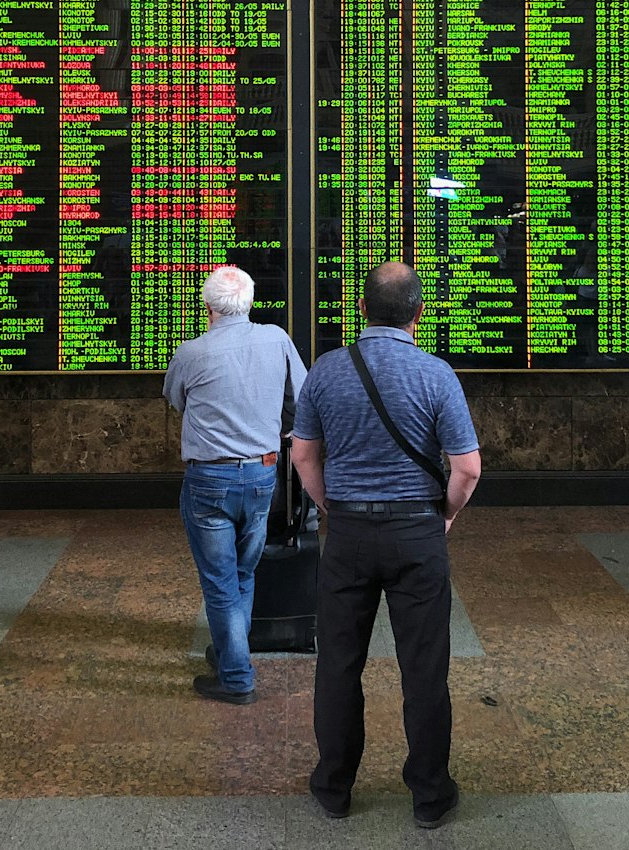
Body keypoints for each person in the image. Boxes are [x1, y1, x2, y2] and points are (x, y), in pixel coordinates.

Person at [291, 261, 481, 828]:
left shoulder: (325, 372)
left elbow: (303, 456)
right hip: (416, 534)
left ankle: (334, 787)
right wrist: (442, 516)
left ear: (362, 311)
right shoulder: (436, 374)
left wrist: (331, 507)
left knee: (339, 664)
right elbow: (467, 468)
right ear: (418, 316)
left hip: (347, 535)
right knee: (424, 668)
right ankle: (429, 796)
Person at [164, 265, 307, 705]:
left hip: (210, 479)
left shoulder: (191, 352)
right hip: (263, 475)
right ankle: (231, 651)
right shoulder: (277, 339)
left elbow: (176, 400)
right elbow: (299, 400)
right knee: (243, 573)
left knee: (220, 582)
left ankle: (237, 677)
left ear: (207, 307)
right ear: (249, 302)